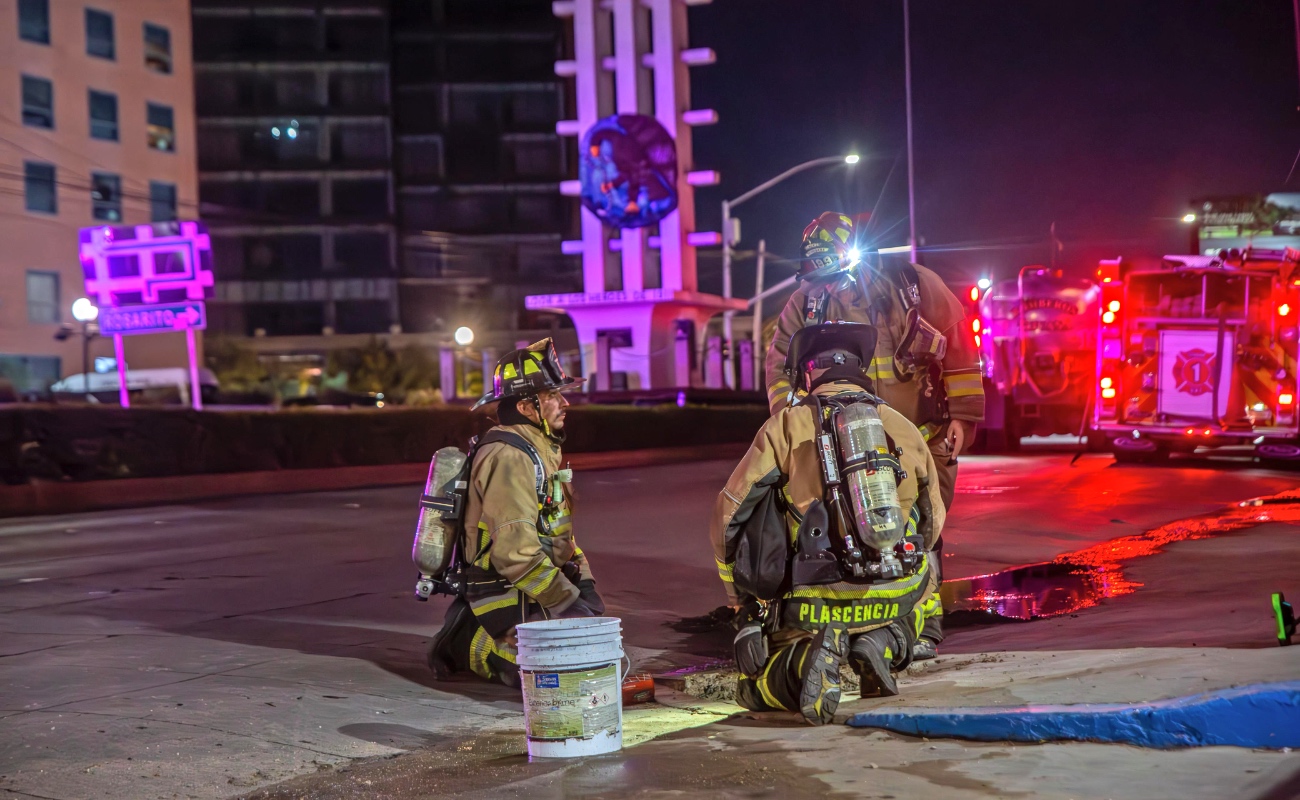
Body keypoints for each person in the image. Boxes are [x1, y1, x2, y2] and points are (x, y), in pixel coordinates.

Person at [763, 212, 983, 659]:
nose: (827, 285)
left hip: (921, 437)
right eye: (817, 274)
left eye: (832, 273)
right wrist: (789, 418)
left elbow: (961, 350)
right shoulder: (807, 304)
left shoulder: (913, 287)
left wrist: (962, 415)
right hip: (844, 449)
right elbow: (778, 364)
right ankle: (869, 624)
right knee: (855, 532)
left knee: (922, 530)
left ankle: (923, 627)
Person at [711, 322, 946, 725]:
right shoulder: (902, 427)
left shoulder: (784, 427)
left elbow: (728, 518)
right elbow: (933, 524)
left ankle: (804, 662)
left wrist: (743, 605)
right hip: (894, 592)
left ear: (807, 375)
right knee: (923, 580)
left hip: (814, 603)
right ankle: (882, 641)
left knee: (754, 688)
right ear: (861, 369)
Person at [426, 340, 603, 687]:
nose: (565, 402)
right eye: (553, 395)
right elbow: (514, 554)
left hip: (529, 583)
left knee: (592, 645)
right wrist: (565, 601)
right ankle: (466, 641)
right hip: (503, 588)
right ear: (525, 405)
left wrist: (584, 583)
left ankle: (499, 631)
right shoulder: (509, 457)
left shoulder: (538, 450)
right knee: (555, 671)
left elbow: (556, 530)